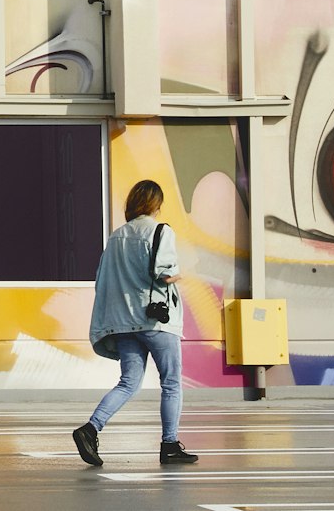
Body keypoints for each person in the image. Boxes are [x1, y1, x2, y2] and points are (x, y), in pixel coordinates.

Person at [72, 179, 198, 467]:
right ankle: (169, 445)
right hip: (155, 321)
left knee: (128, 382)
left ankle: (90, 429)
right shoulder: (160, 231)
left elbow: (102, 279)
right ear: (155, 204)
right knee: (171, 383)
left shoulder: (116, 237)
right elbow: (164, 273)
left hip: (125, 323)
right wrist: (179, 275)